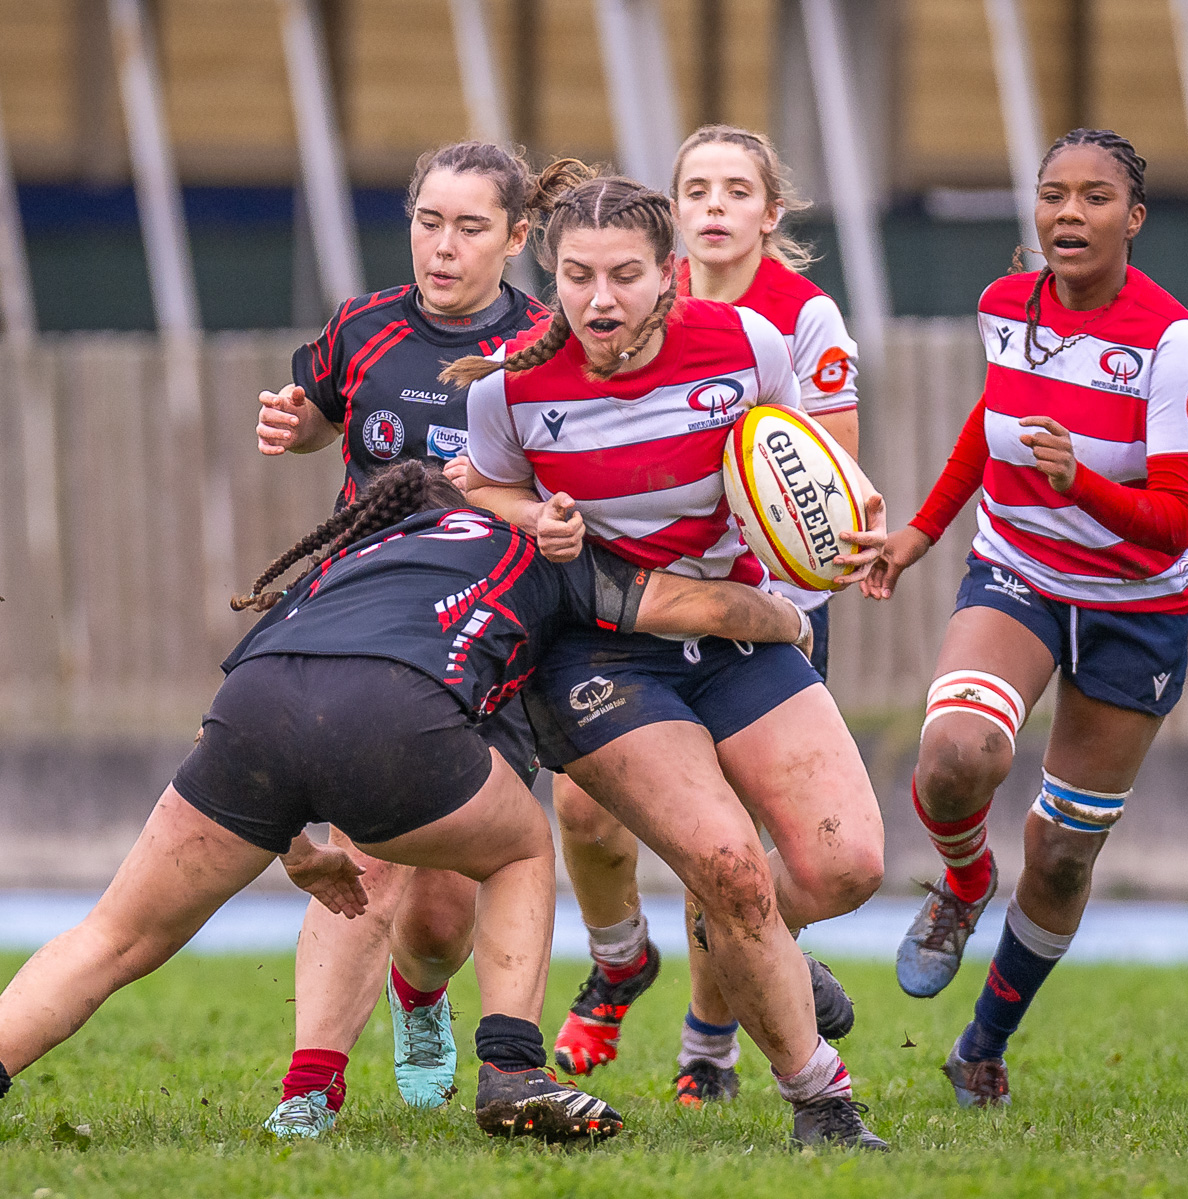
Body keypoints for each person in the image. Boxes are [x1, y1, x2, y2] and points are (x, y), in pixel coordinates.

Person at [0, 461, 816, 1147]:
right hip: (395, 715)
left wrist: (296, 843)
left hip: (250, 709)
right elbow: (695, 609)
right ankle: (513, 1069)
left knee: (115, 933)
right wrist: (789, 614)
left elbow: (287, 705)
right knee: (522, 849)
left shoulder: (351, 558)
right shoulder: (540, 545)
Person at [450, 160, 893, 1150]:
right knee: (732, 866)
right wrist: (535, 514)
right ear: (553, 274)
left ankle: (749, 937)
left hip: (735, 631)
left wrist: (832, 544)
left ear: (670, 271)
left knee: (849, 866)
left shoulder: (745, 342)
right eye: (576, 276)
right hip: (600, 656)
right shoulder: (516, 390)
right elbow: (478, 492)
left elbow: (807, 472)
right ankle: (822, 1103)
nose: (598, 299)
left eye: (623, 275)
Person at [867, 129, 1188, 1108]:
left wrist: (1083, 482)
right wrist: (921, 532)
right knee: (955, 754)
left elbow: (1177, 519)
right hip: (1017, 572)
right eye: (1052, 194)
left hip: (1134, 606)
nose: (1068, 213)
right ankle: (963, 880)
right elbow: (994, 415)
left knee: (1062, 849)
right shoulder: (1002, 307)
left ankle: (982, 1044)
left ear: (1133, 218)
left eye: (1094, 197)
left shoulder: (1169, 339)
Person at [542, 126, 866, 1108]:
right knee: (593, 813)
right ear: (670, 214)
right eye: (698, 188)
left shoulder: (793, 324)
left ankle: (707, 1043)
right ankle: (625, 960)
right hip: (621, 627)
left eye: (738, 189)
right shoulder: (591, 318)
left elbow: (825, 482)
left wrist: (807, 567)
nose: (717, 205)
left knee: (731, 854)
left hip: (766, 617)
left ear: (772, 212)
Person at [253, 142, 554, 1130]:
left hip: (488, 632)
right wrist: (292, 420)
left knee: (437, 918)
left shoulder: (549, 345)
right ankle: (310, 1091)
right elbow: (319, 418)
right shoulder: (364, 326)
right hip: (368, 626)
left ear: (516, 237)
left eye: (470, 227)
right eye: (429, 220)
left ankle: (420, 996)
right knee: (367, 858)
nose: (443, 244)